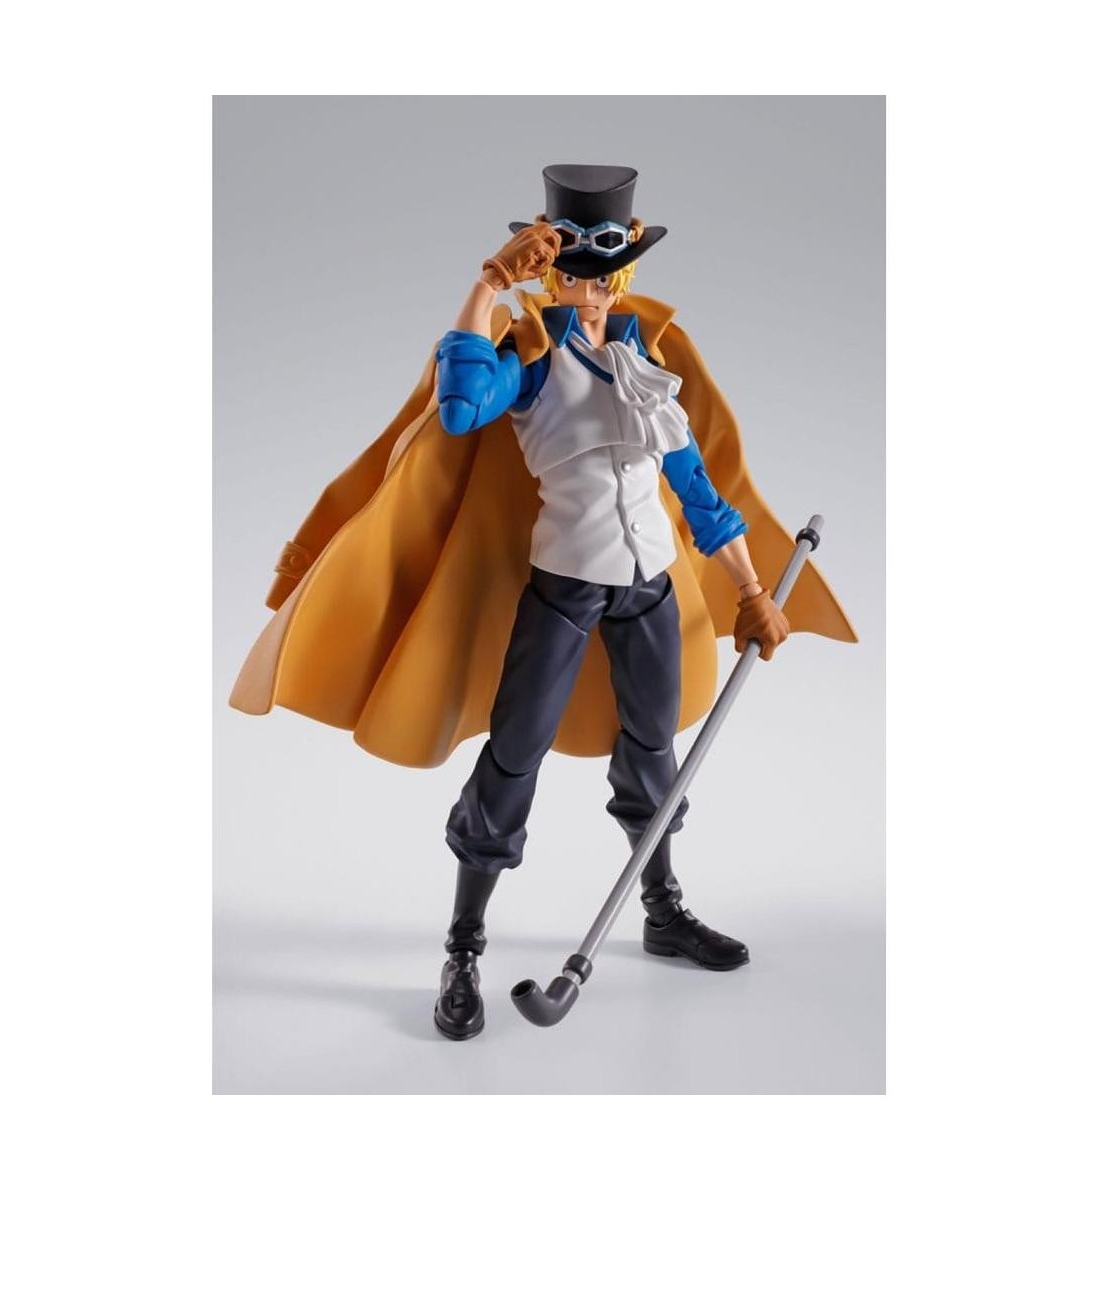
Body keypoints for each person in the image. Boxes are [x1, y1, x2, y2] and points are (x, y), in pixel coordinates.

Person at [230, 164, 857, 1043]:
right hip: (563, 591)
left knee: (654, 752)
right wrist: (487, 285)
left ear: (623, 274)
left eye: (605, 270)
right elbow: (458, 409)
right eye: (573, 269)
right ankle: (463, 946)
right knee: (512, 760)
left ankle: (662, 908)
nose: (590, 286)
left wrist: (754, 592)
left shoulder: (649, 364)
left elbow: (701, 495)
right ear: (550, 269)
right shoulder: (528, 361)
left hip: (649, 591)